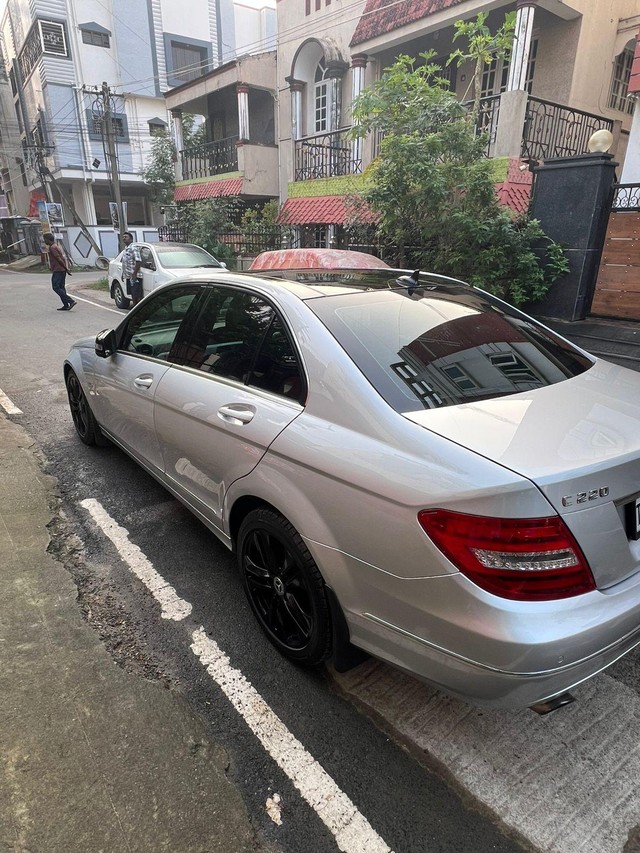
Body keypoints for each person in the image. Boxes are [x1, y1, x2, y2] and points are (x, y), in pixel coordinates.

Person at [43, 232, 76, 311]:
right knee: (61, 287)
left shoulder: (53, 248)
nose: (44, 241)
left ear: (48, 239)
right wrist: (65, 268)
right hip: (61, 269)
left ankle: (70, 301)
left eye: (45, 239)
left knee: (56, 287)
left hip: (58, 270)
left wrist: (66, 268)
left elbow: (59, 258)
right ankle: (66, 305)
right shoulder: (55, 246)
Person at [121, 232, 143, 306]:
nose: (124, 238)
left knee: (136, 295)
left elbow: (138, 261)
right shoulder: (126, 249)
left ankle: (137, 310)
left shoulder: (133, 247)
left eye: (126, 237)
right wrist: (123, 274)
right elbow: (125, 263)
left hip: (134, 277)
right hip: (128, 276)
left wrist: (134, 274)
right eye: (123, 237)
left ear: (131, 239)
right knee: (132, 294)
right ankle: (134, 308)